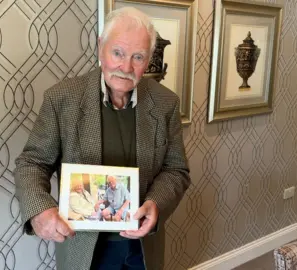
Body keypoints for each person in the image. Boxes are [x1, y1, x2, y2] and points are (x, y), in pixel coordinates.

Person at [13, 6, 190, 270]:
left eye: (138, 57)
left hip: (142, 247)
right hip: (84, 249)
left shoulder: (166, 103)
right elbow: (32, 163)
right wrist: (39, 209)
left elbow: (176, 170)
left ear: (149, 58)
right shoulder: (62, 99)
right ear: (100, 47)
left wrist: (156, 203)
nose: (126, 67)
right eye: (117, 53)